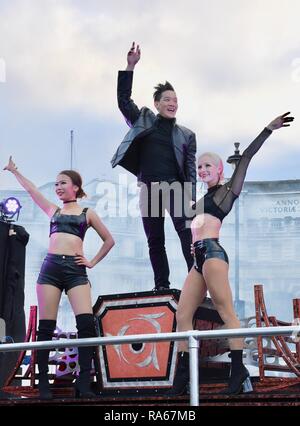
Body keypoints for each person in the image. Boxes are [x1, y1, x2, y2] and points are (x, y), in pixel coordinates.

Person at [167, 112, 294, 396]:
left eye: (207, 166)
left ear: (220, 170)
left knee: (226, 313)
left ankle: (238, 372)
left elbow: (246, 158)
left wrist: (267, 129)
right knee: (183, 315)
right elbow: (192, 222)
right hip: (198, 258)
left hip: (213, 254)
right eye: (199, 166)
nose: (202, 170)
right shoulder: (201, 200)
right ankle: (183, 377)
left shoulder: (226, 192)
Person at [3, 157, 115, 399]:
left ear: (75, 186)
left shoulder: (87, 213)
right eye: (55, 184)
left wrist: (92, 262)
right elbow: (32, 191)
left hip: (75, 271)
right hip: (51, 269)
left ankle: (83, 383)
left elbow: (109, 240)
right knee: (46, 329)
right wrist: (15, 171)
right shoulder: (54, 210)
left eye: (62, 183)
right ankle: (43, 385)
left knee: (86, 325)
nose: (58, 187)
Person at [111, 42, 197, 290]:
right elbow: (124, 101)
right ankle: (161, 285)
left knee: (187, 235)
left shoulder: (187, 135)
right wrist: (130, 66)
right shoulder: (145, 120)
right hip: (149, 189)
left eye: (176, 100)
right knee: (155, 240)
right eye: (167, 99)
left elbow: (190, 169)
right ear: (157, 103)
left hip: (176, 188)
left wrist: (191, 198)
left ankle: (197, 281)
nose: (172, 103)